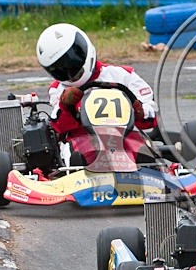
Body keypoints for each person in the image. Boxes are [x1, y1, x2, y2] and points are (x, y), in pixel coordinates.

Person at [36, 23, 159, 165]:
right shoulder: (58, 89)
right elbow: (59, 127)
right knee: (76, 155)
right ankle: (79, 177)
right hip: (83, 139)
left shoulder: (122, 75)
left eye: (72, 62)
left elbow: (153, 113)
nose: (70, 73)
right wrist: (66, 105)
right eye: (60, 69)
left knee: (143, 152)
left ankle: (148, 172)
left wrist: (140, 111)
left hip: (126, 135)